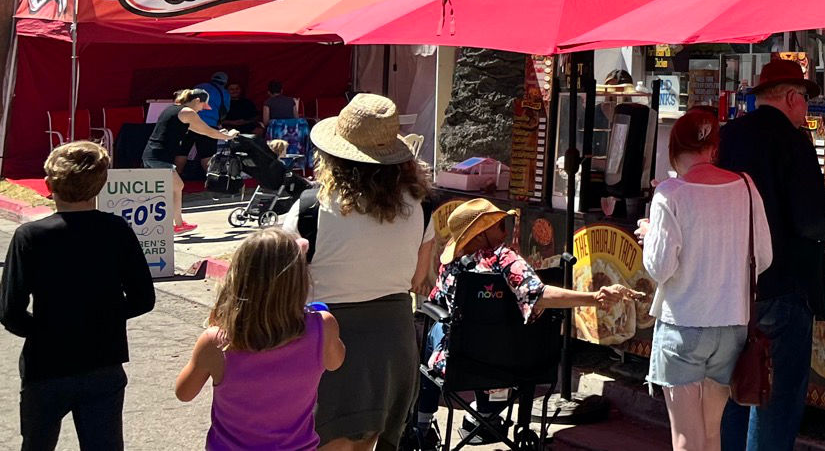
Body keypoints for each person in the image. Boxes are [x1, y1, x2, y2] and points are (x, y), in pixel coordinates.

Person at [410, 200, 638, 444]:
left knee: (439, 328)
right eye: (499, 226)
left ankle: (422, 423)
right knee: (487, 333)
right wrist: (594, 298)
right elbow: (538, 295)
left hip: (459, 364)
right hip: (519, 362)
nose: (505, 232)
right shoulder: (506, 260)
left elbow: (435, 302)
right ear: (483, 231)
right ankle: (487, 411)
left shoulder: (450, 266)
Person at [279, 94, 433, 451]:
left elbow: (287, 284)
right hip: (392, 338)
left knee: (326, 440)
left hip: (325, 336)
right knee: (370, 442)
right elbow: (416, 280)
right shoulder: (421, 206)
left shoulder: (310, 208)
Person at [716, 59, 825, 451]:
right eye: (804, 100)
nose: (807, 111)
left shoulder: (728, 135)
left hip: (732, 286)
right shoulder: (793, 141)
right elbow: (811, 219)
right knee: (774, 399)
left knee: (736, 389)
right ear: (791, 97)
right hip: (784, 286)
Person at [1, 141, 155, 451]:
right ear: (101, 184)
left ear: (48, 184)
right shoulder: (117, 230)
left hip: (46, 363)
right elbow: (143, 298)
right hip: (103, 359)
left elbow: (10, 311)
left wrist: (47, 329)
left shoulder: (30, 236)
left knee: (37, 444)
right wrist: (104, 316)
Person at [641, 109, 772, 451]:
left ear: (673, 151)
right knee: (711, 431)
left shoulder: (670, 193)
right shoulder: (746, 187)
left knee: (686, 435)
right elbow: (765, 257)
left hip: (683, 324)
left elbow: (659, 268)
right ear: (715, 149)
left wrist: (652, 233)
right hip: (732, 325)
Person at [175, 228, 346, 451]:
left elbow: (184, 393)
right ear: (300, 281)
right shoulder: (323, 326)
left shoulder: (216, 342)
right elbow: (336, 362)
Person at [145, 88, 237, 233]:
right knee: (175, 187)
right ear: (197, 101)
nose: (202, 110)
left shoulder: (174, 109)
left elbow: (201, 130)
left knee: (171, 189)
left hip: (153, 154)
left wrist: (220, 134)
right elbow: (207, 131)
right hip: (160, 157)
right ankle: (174, 224)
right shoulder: (188, 112)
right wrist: (229, 136)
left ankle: (175, 224)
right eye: (202, 106)